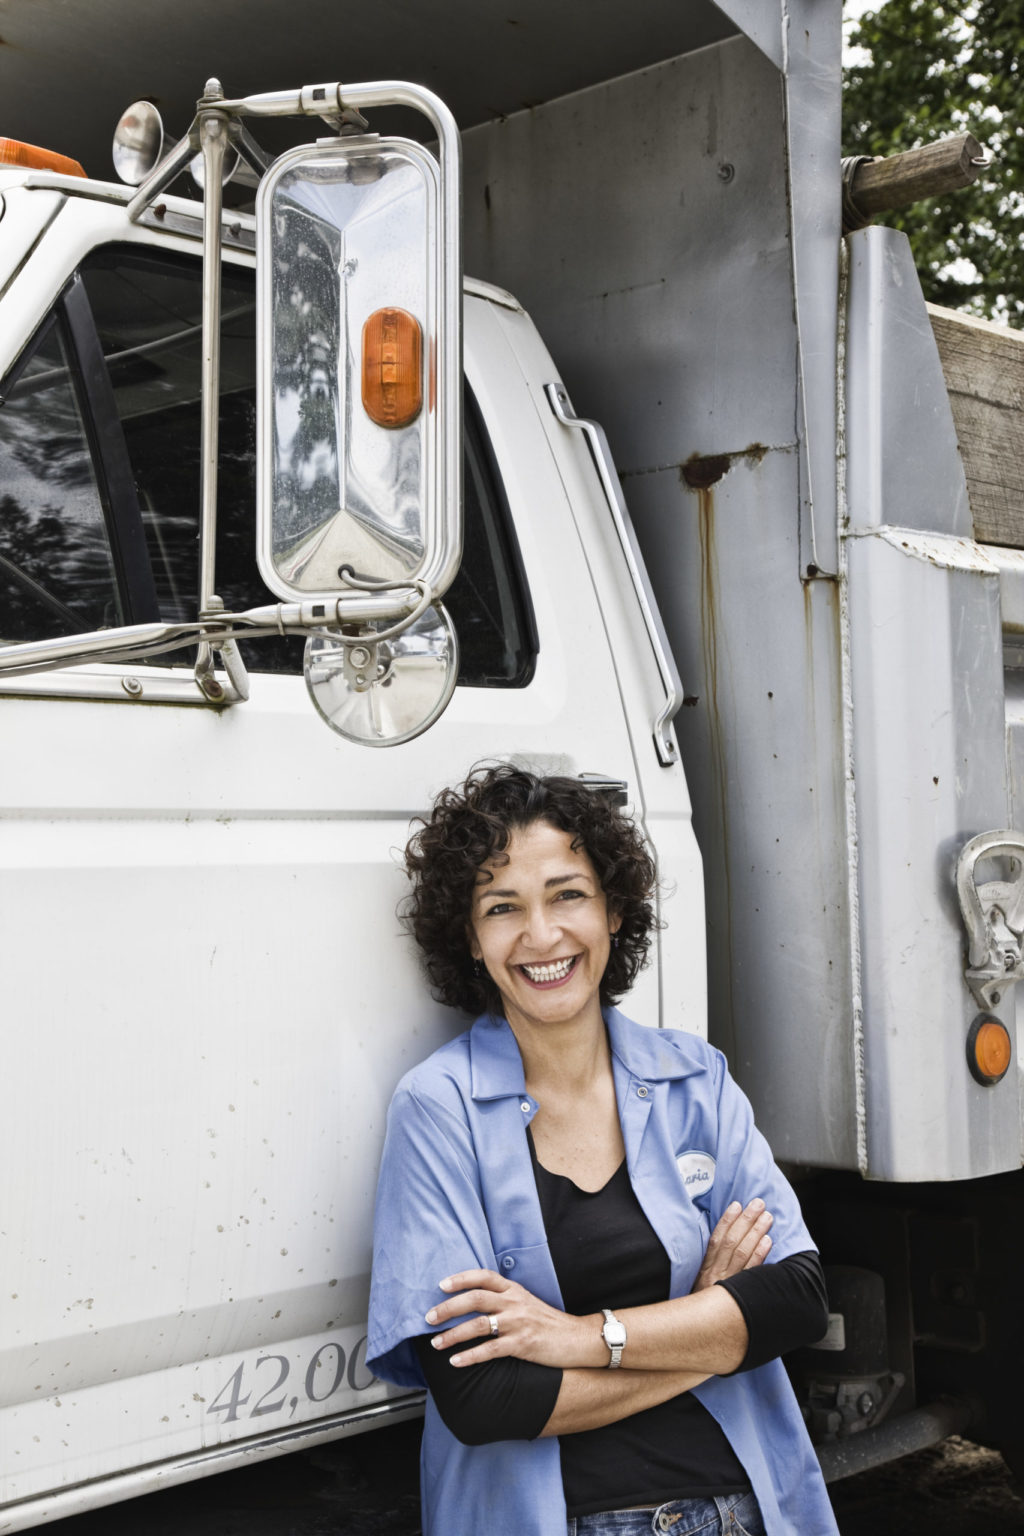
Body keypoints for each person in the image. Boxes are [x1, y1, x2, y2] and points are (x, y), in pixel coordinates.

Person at [367, 765, 839, 1536]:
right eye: (502, 907)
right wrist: (710, 1330)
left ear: (614, 910)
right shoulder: (438, 1109)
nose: (542, 935)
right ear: (470, 936)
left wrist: (581, 1338)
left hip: (744, 1511)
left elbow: (794, 1301)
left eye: (568, 895)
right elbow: (485, 1399)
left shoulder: (695, 1077)